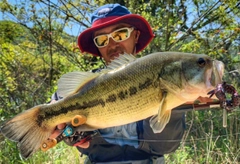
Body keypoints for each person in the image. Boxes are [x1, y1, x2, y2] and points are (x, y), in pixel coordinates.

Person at [49, 3, 212, 164]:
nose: (112, 44)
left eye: (120, 34)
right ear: (97, 47)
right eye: (102, 40)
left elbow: (165, 145)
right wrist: (69, 133)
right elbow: (57, 102)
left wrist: (174, 105)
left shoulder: (159, 75)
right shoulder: (85, 85)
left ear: (135, 36)